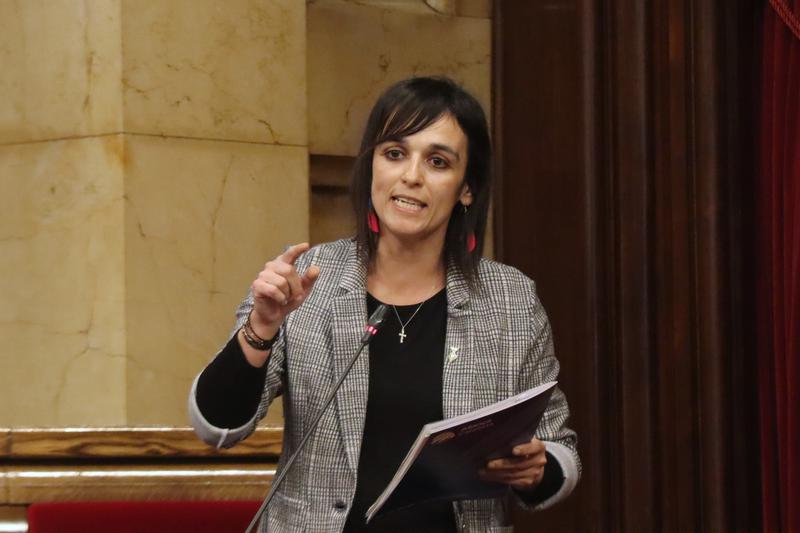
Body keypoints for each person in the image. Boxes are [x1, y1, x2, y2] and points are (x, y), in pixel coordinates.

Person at [189, 77, 580, 532]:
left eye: (437, 161)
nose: (411, 176)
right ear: (372, 167)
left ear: (467, 188)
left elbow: (559, 449)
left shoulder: (509, 299)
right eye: (394, 154)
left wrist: (536, 469)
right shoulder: (311, 279)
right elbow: (217, 428)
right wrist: (262, 325)